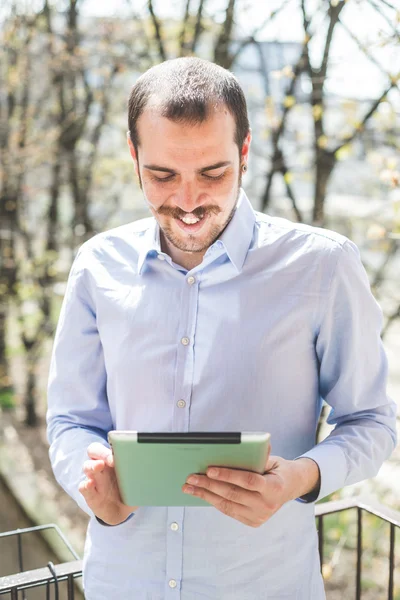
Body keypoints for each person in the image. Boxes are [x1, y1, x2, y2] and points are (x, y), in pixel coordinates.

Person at [46, 57, 397, 600]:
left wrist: (300, 477)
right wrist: (89, 482)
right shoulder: (97, 266)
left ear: (246, 153)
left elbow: (373, 421)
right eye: (163, 175)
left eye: (213, 173)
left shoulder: (323, 267)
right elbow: (70, 420)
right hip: (122, 583)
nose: (188, 203)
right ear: (135, 158)